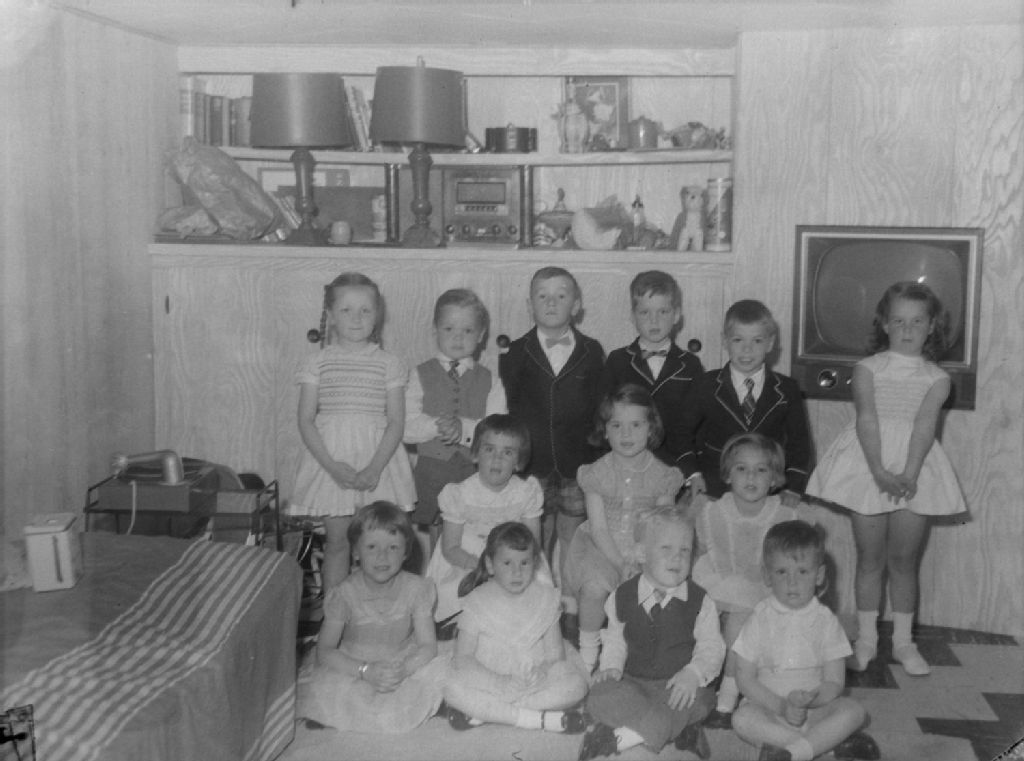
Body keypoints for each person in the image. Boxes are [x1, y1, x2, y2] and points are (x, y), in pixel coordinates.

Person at [806, 281, 967, 676]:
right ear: (884, 323)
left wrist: (909, 474)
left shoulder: (937, 378)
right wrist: (878, 470)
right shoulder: (868, 369)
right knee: (869, 559)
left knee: (903, 560)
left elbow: (925, 427)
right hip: (869, 463)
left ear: (932, 326)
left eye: (917, 322)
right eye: (899, 321)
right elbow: (867, 418)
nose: (907, 330)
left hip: (916, 466)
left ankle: (904, 643)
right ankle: (866, 640)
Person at [289, 272, 415, 591]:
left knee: (381, 546)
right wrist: (332, 467)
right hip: (332, 462)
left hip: (379, 463)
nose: (356, 318)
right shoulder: (316, 362)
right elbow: (305, 420)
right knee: (338, 543)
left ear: (378, 315)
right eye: (346, 310)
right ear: (331, 316)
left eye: (365, 310)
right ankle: (335, 613)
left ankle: (381, 611)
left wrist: (374, 468)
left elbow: (396, 422)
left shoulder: (389, 363)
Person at [579, 504, 725, 761]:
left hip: (676, 686)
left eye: (685, 550)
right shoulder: (621, 596)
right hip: (632, 682)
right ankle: (677, 730)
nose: (677, 558)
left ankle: (621, 738)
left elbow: (711, 647)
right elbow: (615, 639)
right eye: (666, 549)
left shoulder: (701, 601)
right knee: (598, 695)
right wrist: (611, 666)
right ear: (641, 554)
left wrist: (693, 673)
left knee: (703, 699)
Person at [731, 520, 879, 761]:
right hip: (770, 710)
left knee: (854, 710)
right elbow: (745, 679)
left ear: (819, 575)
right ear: (767, 575)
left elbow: (834, 682)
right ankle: (823, 748)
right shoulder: (758, 619)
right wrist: (782, 707)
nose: (792, 582)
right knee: (742, 719)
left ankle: (793, 753)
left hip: (815, 711)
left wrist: (811, 700)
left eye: (802, 572)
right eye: (782, 572)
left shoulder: (827, 622)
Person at [562, 384, 684, 673]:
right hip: (602, 547)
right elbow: (599, 528)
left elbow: (662, 528)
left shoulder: (662, 476)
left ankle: (640, 653)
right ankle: (588, 651)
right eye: (616, 425)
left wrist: (643, 562)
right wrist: (620, 563)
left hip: (646, 548)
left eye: (636, 425)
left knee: (657, 594)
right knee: (593, 588)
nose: (626, 434)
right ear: (605, 431)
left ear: (651, 428)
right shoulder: (597, 473)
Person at [298, 502, 447, 734]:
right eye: (371, 547)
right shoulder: (344, 594)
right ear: (356, 552)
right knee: (335, 691)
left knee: (442, 672)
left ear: (406, 552)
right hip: (355, 664)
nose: (382, 556)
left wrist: (405, 670)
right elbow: (325, 651)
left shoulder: (417, 589)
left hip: (401, 660)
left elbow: (428, 646)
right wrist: (365, 671)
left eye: (393, 547)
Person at [499, 266, 605, 587]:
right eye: (542, 296)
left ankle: (570, 600)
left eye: (561, 296)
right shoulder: (515, 352)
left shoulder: (592, 350)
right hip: (533, 464)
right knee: (535, 537)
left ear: (576, 306)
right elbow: (508, 410)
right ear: (529, 305)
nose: (551, 302)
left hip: (578, 462)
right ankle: (537, 597)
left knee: (574, 536)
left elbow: (600, 408)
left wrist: (597, 458)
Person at [691, 433, 799, 724]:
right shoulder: (712, 512)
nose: (751, 477)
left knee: (741, 615)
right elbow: (697, 550)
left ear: (774, 478)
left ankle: (731, 684)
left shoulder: (784, 516)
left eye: (761, 470)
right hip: (717, 582)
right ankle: (700, 675)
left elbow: (794, 562)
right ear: (728, 475)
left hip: (763, 591)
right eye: (741, 469)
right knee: (710, 613)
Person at [443, 522, 590, 734]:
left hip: (533, 680)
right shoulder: (477, 601)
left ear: (535, 563)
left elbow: (555, 654)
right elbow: (463, 658)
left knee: (576, 685)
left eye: (524, 563)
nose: (517, 572)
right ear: (490, 565)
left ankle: (491, 712)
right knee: (452, 688)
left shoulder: (545, 598)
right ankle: (537, 719)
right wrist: (498, 682)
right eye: (507, 563)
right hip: (490, 677)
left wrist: (542, 673)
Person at [405, 288, 507, 571]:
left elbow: (497, 429)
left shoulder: (490, 380)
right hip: (433, 469)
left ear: (481, 334)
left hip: (473, 472)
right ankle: (437, 586)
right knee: (439, 534)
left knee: (474, 533)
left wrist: (464, 429)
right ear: (435, 330)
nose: (458, 337)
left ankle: (475, 580)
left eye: (467, 330)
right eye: (449, 329)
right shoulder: (419, 373)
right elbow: (406, 425)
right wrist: (435, 426)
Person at [677, 299, 811, 502]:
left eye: (757, 341)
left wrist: (792, 488)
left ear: (770, 343)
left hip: (768, 490)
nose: (747, 350)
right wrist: (692, 474)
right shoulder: (705, 385)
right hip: (714, 488)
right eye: (738, 340)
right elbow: (680, 434)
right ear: (725, 341)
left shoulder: (787, 389)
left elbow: (799, 445)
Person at [424, 414, 547, 630]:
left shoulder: (526, 492)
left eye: (507, 452)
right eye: (489, 449)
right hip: (467, 559)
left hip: (516, 558)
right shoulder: (459, 495)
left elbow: (533, 543)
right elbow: (450, 548)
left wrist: (508, 566)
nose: (497, 459)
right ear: (475, 454)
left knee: (536, 588)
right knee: (460, 590)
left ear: (518, 462)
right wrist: (483, 568)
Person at [601, 270, 704, 468]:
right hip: (625, 463)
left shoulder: (690, 365)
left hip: (675, 464)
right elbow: (604, 416)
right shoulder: (618, 360)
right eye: (645, 312)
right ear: (633, 316)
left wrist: (692, 470)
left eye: (663, 312)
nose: (654, 320)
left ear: (676, 315)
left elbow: (696, 426)